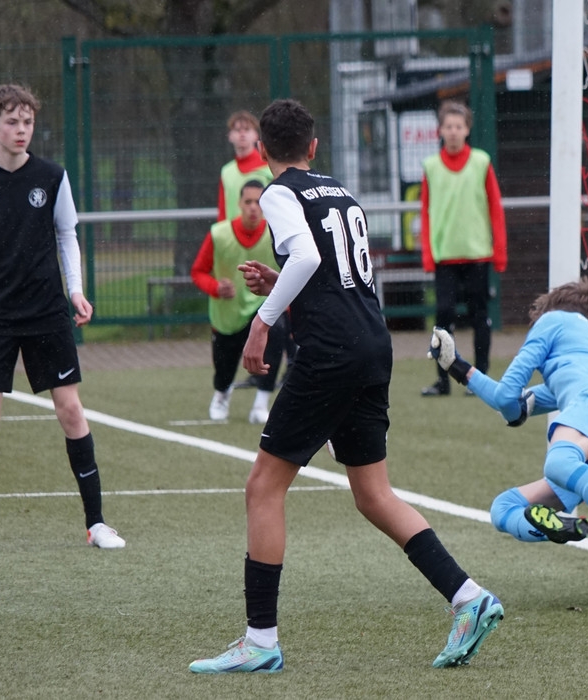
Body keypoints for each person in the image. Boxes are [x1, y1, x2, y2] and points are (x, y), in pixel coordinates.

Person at [188, 98, 503, 675]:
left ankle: (260, 641)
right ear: (313, 147)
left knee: (263, 488)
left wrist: (261, 321)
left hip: (330, 352)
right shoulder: (341, 193)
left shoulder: (277, 192)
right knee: (373, 494)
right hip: (372, 343)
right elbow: (337, 273)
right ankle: (469, 598)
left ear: (263, 150)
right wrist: (280, 282)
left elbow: (309, 257)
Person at [429, 279, 588, 601]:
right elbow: (519, 404)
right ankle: (557, 525)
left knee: (557, 463)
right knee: (503, 508)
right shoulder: (584, 348)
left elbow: (507, 399)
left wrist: (498, 397)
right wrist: (457, 367)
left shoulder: (550, 321)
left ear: (545, 311)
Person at [0, 84, 125, 552]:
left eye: (27, 121)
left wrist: (76, 290)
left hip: (47, 311)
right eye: (12, 122)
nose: (21, 130)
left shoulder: (52, 177)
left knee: (70, 410)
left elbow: (67, 236)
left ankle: (97, 524)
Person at [419, 100, 507, 397]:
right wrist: (428, 254)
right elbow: (425, 213)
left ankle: (479, 378)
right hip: (445, 256)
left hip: (477, 254)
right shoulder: (431, 167)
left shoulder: (481, 162)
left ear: (467, 129)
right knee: (443, 317)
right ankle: (442, 381)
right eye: (448, 126)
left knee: (479, 316)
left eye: (459, 126)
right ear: (440, 130)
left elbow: (495, 208)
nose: (454, 131)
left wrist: (500, 251)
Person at [190, 180, 290, 423]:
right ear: (239, 204)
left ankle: (261, 404)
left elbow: (290, 272)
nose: (253, 207)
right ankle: (221, 394)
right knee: (224, 365)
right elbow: (198, 271)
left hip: (262, 306)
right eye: (248, 202)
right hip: (228, 312)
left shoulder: (276, 233)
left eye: (258, 202)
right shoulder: (219, 234)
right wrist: (216, 287)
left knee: (276, 333)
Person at [217, 110, 273, 222]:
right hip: (235, 232)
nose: (242, 134)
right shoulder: (226, 171)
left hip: (265, 231)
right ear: (230, 136)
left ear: (256, 135)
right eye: (237, 130)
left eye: (247, 129)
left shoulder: (269, 166)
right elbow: (223, 211)